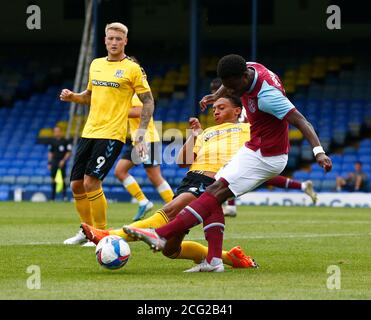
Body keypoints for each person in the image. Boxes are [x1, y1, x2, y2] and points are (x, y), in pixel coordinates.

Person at [123, 54, 332, 272]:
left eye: (232, 87)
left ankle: (159, 235)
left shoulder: (268, 96)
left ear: (243, 77)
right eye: (227, 85)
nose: (230, 91)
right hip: (254, 146)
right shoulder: (249, 67)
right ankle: (213, 261)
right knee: (215, 192)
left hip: (267, 155)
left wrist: (319, 152)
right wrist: (216, 94)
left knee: (215, 191)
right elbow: (227, 84)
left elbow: (301, 121)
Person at [82, 95, 258, 270]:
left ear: (237, 111)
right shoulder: (207, 132)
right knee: (170, 250)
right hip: (190, 179)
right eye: (214, 109)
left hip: (212, 180)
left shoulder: (248, 129)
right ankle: (230, 257)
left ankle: (108, 234)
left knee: (169, 211)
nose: (216, 111)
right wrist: (194, 136)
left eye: (221, 108)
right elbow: (182, 161)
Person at [59, 22, 154, 246]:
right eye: (110, 38)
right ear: (105, 40)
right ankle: (86, 231)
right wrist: (74, 96)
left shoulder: (132, 68)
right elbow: (89, 96)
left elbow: (148, 101)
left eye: (118, 39)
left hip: (112, 134)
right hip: (89, 131)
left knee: (91, 182)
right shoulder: (96, 64)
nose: (114, 42)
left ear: (125, 42)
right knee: (76, 185)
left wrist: (140, 133)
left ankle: (100, 234)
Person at [209, 78, 317, 217]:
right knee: (262, 177)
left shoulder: (239, 106)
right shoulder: (239, 102)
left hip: (251, 142)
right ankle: (302, 186)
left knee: (228, 173)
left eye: (214, 91)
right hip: (251, 143)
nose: (214, 95)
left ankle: (227, 205)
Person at [114, 60, 174, 221]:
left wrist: (116, 110)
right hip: (139, 140)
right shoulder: (130, 92)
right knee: (121, 171)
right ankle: (144, 201)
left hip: (148, 139)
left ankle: (175, 206)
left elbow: (140, 110)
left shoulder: (137, 92)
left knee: (154, 176)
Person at [47, 126, 72, 201]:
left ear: (60, 132)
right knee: (53, 179)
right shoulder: (52, 141)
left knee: (63, 179)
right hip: (54, 161)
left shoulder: (65, 141)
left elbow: (69, 152)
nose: (56, 133)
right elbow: (50, 153)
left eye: (57, 131)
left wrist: (63, 160)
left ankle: (64, 196)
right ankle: (52, 197)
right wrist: (49, 163)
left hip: (62, 162)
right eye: (55, 131)